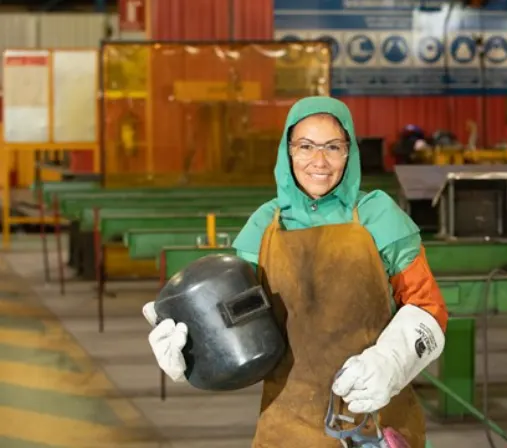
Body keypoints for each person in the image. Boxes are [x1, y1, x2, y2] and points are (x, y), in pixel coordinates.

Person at [141, 96, 448, 447]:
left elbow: (428, 307)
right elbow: (232, 320)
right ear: (287, 151)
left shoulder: (379, 216)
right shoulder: (263, 228)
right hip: (286, 427)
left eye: (333, 147)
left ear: (350, 151)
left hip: (375, 423)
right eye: (305, 146)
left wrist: (392, 362)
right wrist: (190, 349)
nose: (319, 161)